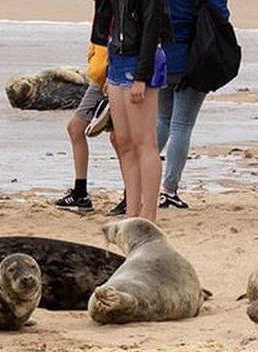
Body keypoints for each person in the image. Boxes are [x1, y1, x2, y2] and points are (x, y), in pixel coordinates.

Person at [92, 0, 171, 221]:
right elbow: (108, 20)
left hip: (139, 61)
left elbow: (151, 29)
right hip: (117, 57)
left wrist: (142, 76)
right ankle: (132, 210)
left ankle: (148, 215)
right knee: (123, 141)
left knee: (144, 142)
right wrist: (108, 71)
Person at [156, 0, 231, 210]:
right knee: (182, 126)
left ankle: (141, 176)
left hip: (162, 57)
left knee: (162, 119)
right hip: (194, 57)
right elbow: (220, 13)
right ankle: (169, 189)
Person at [56, 43, 124, 213]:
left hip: (114, 78)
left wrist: (109, 72)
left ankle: (131, 194)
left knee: (119, 139)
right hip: (100, 78)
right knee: (76, 128)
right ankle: (80, 192)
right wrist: (93, 59)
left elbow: (119, 39)